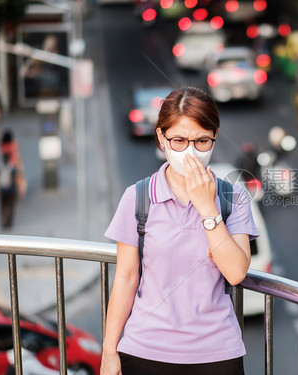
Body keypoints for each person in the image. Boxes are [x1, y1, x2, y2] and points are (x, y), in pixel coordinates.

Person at [101, 86, 259, 375]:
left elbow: (236, 272)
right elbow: (125, 277)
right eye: (178, 140)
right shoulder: (137, 198)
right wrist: (110, 350)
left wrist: (207, 208)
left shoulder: (233, 198)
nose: (190, 151)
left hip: (217, 354)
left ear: (214, 137)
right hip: (145, 350)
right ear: (161, 138)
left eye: (201, 141)